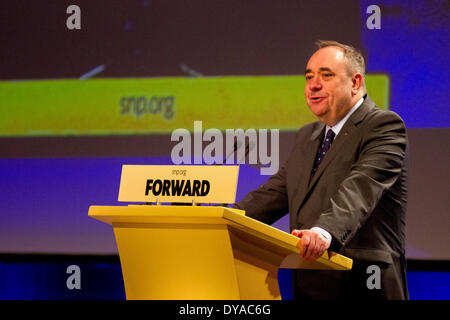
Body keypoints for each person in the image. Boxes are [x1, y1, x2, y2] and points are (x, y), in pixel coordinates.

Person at [235, 40, 409, 299]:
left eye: (326, 75)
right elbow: (274, 194)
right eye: (309, 77)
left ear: (355, 83)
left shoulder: (383, 127)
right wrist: (221, 218)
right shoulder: (309, 135)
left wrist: (323, 231)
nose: (313, 85)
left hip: (364, 284)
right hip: (311, 285)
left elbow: (360, 190)